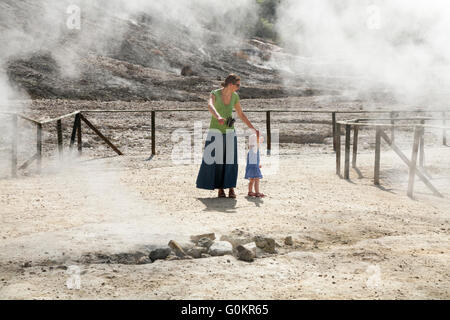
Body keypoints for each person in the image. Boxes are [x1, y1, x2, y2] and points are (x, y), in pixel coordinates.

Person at [196, 74, 259, 198]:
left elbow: (240, 114)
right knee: (217, 162)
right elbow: (210, 105)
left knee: (231, 162)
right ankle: (220, 189)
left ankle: (231, 188)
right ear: (231, 84)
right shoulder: (215, 93)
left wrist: (253, 128)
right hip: (215, 132)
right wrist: (218, 116)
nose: (238, 87)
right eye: (238, 85)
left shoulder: (235, 96)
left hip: (230, 132)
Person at [245, 132, 265, 198]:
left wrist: (258, 164)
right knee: (257, 179)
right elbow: (261, 139)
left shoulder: (250, 150)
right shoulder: (255, 148)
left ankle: (250, 192)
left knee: (251, 180)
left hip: (251, 167)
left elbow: (251, 160)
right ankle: (257, 193)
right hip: (254, 167)